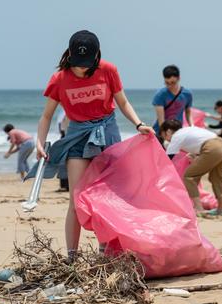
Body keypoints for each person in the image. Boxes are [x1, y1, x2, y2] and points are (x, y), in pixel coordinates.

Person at [34, 30, 154, 261]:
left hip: (107, 133)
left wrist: (139, 124)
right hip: (77, 136)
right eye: (78, 64)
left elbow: (123, 102)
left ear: (97, 55)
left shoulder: (108, 70)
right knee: (76, 200)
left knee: (108, 197)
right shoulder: (59, 79)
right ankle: (71, 256)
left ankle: (106, 253)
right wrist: (39, 143)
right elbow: (46, 116)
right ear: (69, 55)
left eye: (87, 64)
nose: (82, 69)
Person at [166, 120, 222, 215]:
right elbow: (199, 144)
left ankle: (199, 208)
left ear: (168, 131)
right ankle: (221, 208)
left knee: (188, 177)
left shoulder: (176, 136)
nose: (166, 139)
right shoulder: (188, 130)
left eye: (164, 136)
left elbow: (167, 160)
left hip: (211, 147)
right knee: (216, 178)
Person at [152, 65, 193, 135]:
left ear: (179, 78)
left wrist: (192, 127)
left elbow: (188, 113)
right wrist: (164, 135)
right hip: (161, 131)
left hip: (178, 131)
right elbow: (161, 121)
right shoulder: (160, 95)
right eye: (167, 83)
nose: (170, 86)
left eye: (173, 83)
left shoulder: (187, 94)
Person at [56, 108, 70, 192]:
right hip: (66, 137)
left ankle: (65, 185)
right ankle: (65, 185)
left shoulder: (64, 113)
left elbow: (61, 127)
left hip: (66, 137)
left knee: (63, 162)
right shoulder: (65, 113)